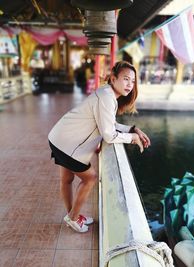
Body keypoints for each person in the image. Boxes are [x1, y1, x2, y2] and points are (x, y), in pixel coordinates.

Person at [48, 61, 151, 233]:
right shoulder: (107, 97)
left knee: (67, 180)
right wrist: (131, 138)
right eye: (126, 79)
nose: (129, 85)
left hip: (59, 137)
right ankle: (73, 217)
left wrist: (133, 129)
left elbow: (109, 123)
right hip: (66, 143)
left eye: (132, 81)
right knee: (90, 178)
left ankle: (72, 215)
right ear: (113, 78)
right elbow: (109, 135)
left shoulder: (107, 94)